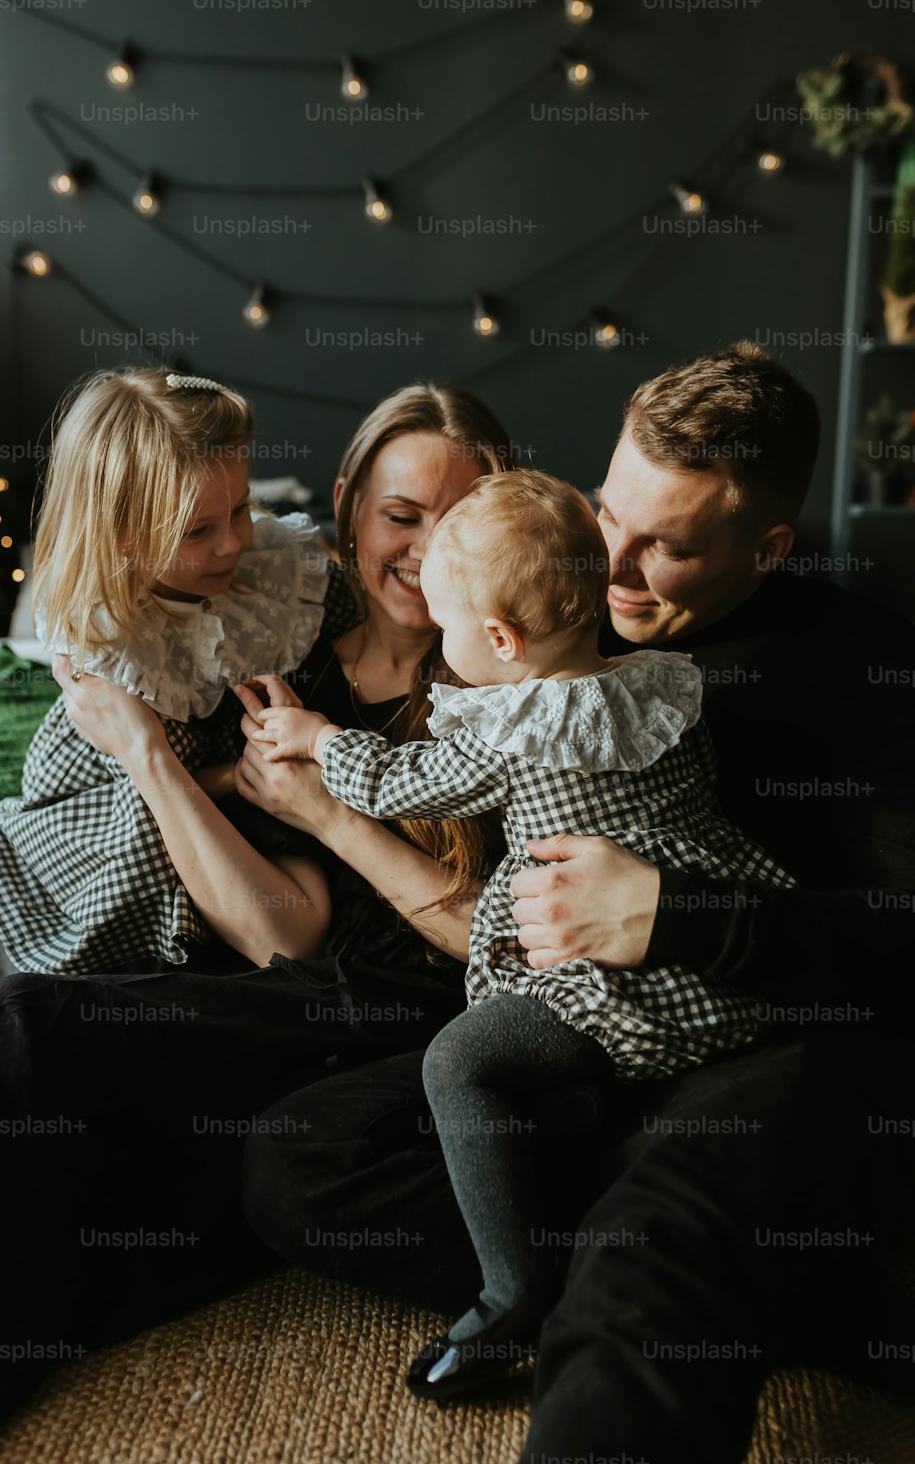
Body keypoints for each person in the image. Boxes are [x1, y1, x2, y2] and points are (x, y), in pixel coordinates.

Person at [242, 343, 915, 1463]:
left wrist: (666, 912)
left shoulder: (864, 674)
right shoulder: (556, 612)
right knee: (303, 1154)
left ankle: (635, 1263)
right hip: (572, 1023)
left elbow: (893, 944)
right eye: (610, 515)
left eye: (669, 548)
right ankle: (755, 1268)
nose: (613, 566)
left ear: (769, 548)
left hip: (748, 1032)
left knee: (651, 1244)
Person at [0, 381, 520, 1452]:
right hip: (236, 965)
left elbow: (292, 934)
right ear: (344, 509)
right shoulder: (279, 636)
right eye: (400, 517)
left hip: (354, 1008)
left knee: (21, 1035)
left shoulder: (487, 684)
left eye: (460, 519)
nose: (430, 552)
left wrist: (170, 760)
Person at [250, 467, 797, 1398]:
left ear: (499, 641)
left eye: (449, 627)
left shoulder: (511, 728)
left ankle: (513, 1289)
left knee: (458, 1065)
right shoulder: (658, 686)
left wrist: (315, 739)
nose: (442, 645)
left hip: (603, 978)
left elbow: (392, 786)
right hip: (716, 959)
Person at [0, 367, 331, 977]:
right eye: (196, 531)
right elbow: (127, 803)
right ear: (119, 533)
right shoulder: (113, 653)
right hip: (126, 807)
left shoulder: (273, 570)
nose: (232, 544)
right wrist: (232, 779)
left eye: (240, 509)